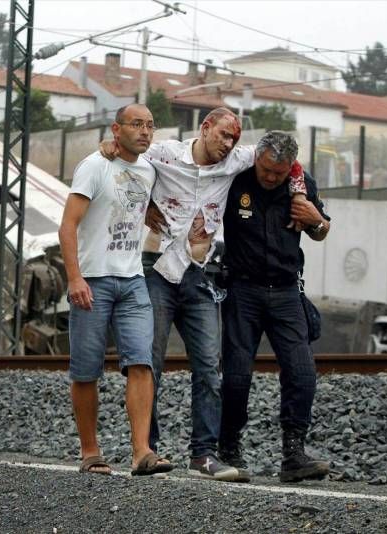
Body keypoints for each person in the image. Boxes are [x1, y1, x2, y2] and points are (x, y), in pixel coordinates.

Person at [101, 107, 309, 481]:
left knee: (209, 368)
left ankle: (205, 454)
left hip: (200, 274)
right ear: (205, 128)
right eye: (222, 136)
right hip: (158, 270)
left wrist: (299, 188)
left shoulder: (239, 159)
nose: (228, 145)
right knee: (150, 364)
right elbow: (126, 156)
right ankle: (147, 449)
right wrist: (113, 149)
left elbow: (289, 161)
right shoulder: (165, 153)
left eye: (234, 138)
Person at [59, 103, 172, 477]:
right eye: (136, 124)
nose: (144, 131)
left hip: (133, 279)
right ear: (116, 129)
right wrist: (75, 278)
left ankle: (142, 452)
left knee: (142, 362)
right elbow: (68, 226)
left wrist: (154, 211)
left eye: (150, 125)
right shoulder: (94, 166)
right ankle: (91, 452)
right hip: (94, 279)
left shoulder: (148, 170)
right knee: (87, 370)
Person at [219, 131, 331, 483]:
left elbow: (320, 231)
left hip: (286, 291)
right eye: (266, 170)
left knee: (302, 373)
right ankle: (229, 448)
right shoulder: (234, 178)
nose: (271, 178)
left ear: (290, 169)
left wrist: (317, 219)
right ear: (258, 159)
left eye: (279, 174)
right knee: (236, 375)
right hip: (243, 290)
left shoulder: (302, 184)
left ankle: (294, 454)